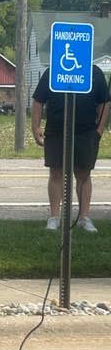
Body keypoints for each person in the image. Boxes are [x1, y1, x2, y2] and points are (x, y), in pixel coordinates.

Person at [32, 65, 110, 233]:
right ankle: (54, 217)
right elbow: (38, 100)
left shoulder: (94, 72)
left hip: (86, 132)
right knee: (56, 173)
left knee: (83, 174)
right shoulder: (53, 71)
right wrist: (36, 127)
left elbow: (104, 103)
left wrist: (99, 131)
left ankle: (83, 217)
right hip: (55, 130)